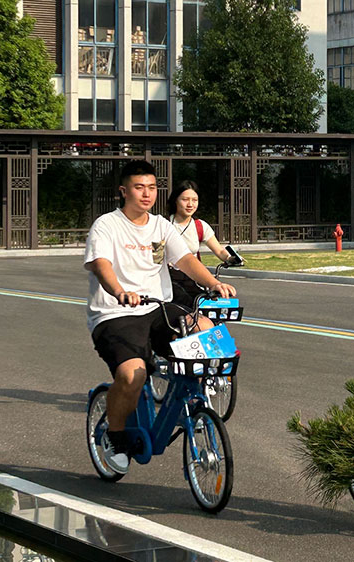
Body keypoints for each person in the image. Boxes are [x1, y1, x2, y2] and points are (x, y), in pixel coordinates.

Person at [84, 160, 237, 475]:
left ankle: (194, 402)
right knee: (133, 376)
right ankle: (115, 437)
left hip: (157, 307)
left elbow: (184, 260)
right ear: (123, 191)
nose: (146, 194)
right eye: (139, 187)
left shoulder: (161, 227)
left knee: (207, 331)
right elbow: (101, 265)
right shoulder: (106, 225)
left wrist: (213, 283)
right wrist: (118, 291)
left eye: (152, 188)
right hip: (115, 313)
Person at [166, 180, 237, 305]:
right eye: (185, 199)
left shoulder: (200, 226)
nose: (190, 204)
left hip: (192, 278)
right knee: (186, 304)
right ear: (175, 200)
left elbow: (219, 250)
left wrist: (231, 258)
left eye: (194, 200)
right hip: (167, 279)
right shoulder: (163, 225)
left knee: (209, 305)